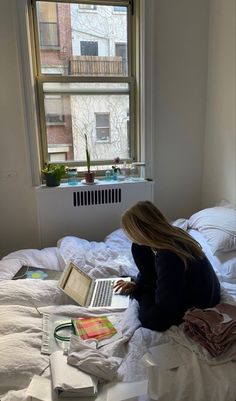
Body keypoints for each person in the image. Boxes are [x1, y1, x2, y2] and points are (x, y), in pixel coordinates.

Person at [114, 201, 221, 332]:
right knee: (138, 248)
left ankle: (142, 289)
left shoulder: (168, 256)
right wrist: (139, 283)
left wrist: (139, 291)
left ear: (140, 231)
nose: (130, 237)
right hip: (194, 289)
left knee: (149, 319)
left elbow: (161, 317)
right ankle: (142, 287)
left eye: (130, 232)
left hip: (199, 302)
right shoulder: (174, 234)